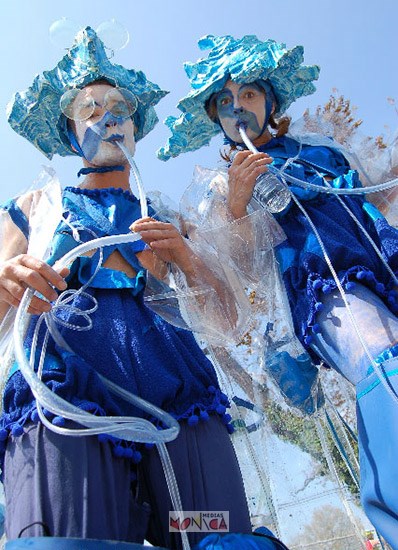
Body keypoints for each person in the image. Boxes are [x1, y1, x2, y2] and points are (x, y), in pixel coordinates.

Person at [0, 27, 287, 550]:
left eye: (119, 109)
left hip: (181, 412)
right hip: (66, 409)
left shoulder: (172, 215)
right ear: (70, 136)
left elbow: (229, 318)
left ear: (136, 127)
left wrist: (187, 260)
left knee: (214, 537)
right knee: (76, 540)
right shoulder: (32, 208)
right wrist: (4, 285)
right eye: (90, 110)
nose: (108, 117)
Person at [158, 34, 398, 548]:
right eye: (225, 102)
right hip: (322, 291)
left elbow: (371, 194)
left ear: (270, 100)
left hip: (386, 271)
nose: (238, 107)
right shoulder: (217, 187)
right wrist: (240, 203)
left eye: (247, 94)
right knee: (380, 363)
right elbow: (239, 275)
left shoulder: (322, 150)